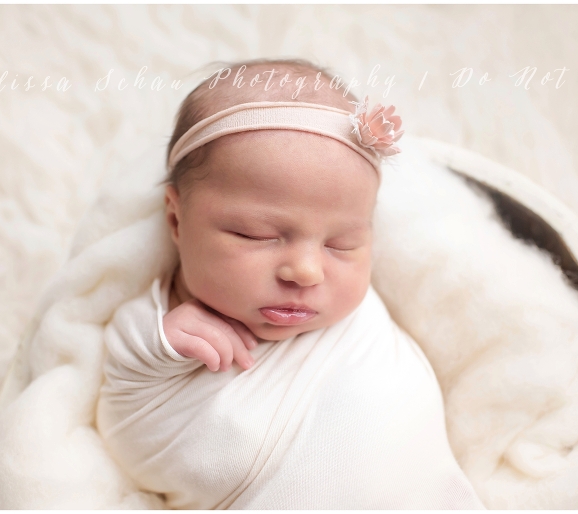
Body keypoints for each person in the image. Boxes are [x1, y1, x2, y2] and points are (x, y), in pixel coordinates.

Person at [95, 58, 486, 510]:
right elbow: (123, 441)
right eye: (256, 235)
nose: (306, 271)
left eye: (342, 244)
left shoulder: (357, 324)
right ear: (175, 219)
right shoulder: (153, 330)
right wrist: (157, 346)